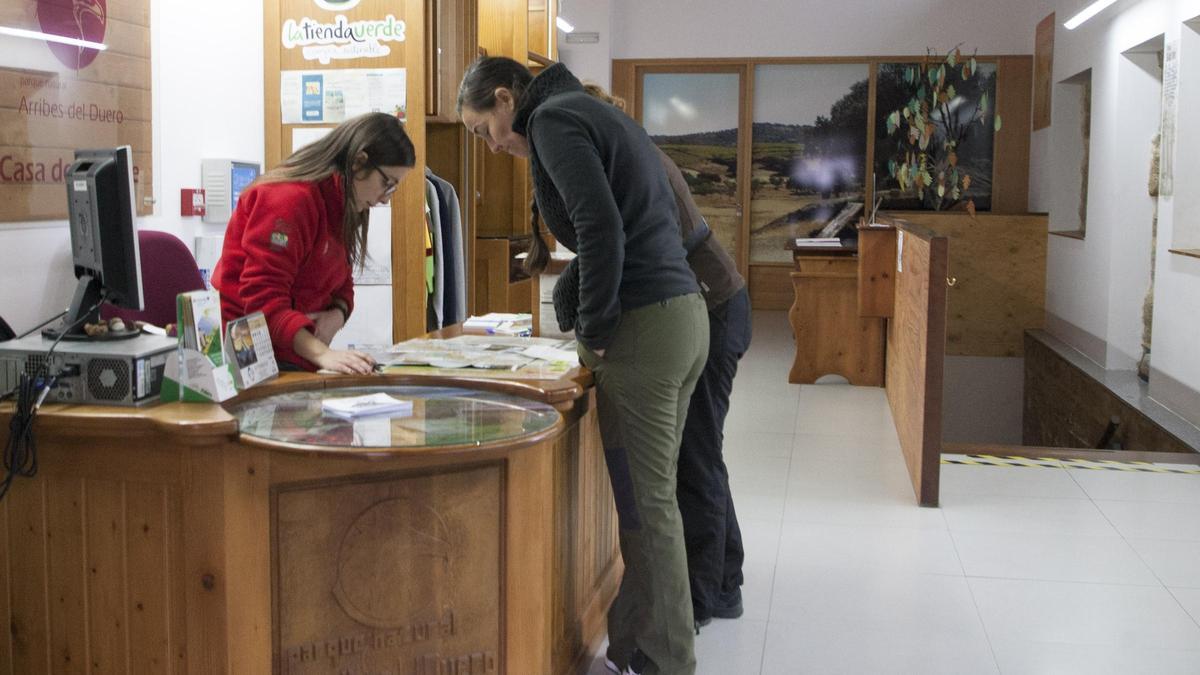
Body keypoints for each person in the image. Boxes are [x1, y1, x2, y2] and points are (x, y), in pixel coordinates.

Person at [458, 58, 708, 675]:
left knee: (648, 513)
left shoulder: (554, 119)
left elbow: (600, 229)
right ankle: (631, 643)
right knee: (653, 507)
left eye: (480, 129)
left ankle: (668, 661)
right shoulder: (588, 111)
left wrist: (593, 326)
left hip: (645, 330)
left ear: (503, 98)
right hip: (678, 316)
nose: (487, 146)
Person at [578, 84, 752, 630]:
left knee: (695, 457)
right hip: (717, 301)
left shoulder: (632, 163)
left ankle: (703, 595)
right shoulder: (640, 154)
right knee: (702, 452)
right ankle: (723, 577)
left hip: (712, 304)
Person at [213, 112, 414, 374]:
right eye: (386, 184)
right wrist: (322, 354)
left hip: (293, 354)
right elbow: (263, 304)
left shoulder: (339, 201)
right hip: (251, 358)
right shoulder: (288, 201)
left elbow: (342, 283)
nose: (386, 199)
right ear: (358, 162)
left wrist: (336, 315)